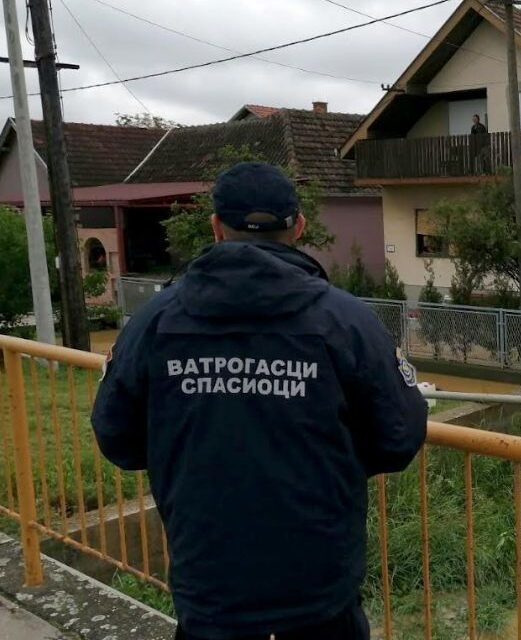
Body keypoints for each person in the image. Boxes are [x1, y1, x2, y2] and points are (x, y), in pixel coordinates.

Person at [91, 162, 428, 640]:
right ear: (299, 226)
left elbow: (117, 438)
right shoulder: (346, 321)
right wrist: (327, 460)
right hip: (319, 591)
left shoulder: (155, 322)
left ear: (214, 226)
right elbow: (398, 438)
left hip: (209, 588)